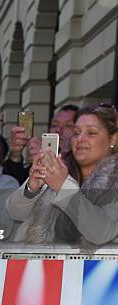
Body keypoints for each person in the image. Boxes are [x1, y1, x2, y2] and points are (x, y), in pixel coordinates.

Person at [7, 104, 118, 245]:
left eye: (91, 133)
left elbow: (101, 233)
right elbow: (15, 212)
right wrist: (31, 188)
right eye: (76, 133)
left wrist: (63, 186)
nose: (80, 139)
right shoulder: (58, 166)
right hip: (35, 264)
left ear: (113, 139)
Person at [3, 105, 79, 184]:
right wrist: (15, 156)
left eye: (68, 125)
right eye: (54, 125)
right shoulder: (41, 158)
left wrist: (48, 161)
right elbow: (14, 185)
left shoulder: (82, 162)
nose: (58, 130)